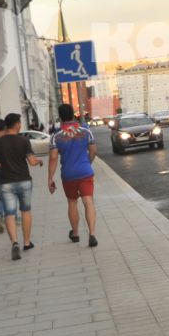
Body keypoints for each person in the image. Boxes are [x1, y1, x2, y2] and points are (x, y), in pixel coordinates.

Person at [0, 113, 41, 260]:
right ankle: (26, 242)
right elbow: (31, 161)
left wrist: (5, 164)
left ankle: (15, 243)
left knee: (10, 214)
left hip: (6, 183)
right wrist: (39, 161)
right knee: (25, 211)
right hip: (24, 181)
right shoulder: (23, 141)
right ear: (17, 124)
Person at [47, 103, 100, 247]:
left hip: (68, 174)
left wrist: (50, 178)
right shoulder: (85, 131)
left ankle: (75, 233)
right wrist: (87, 163)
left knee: (72, 202)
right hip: (85, 172)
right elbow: (93, 150)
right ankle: (92, 234)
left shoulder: (55, 136)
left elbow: (53, 158)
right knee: (88, 201)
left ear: (60, 117)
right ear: (72, 114)